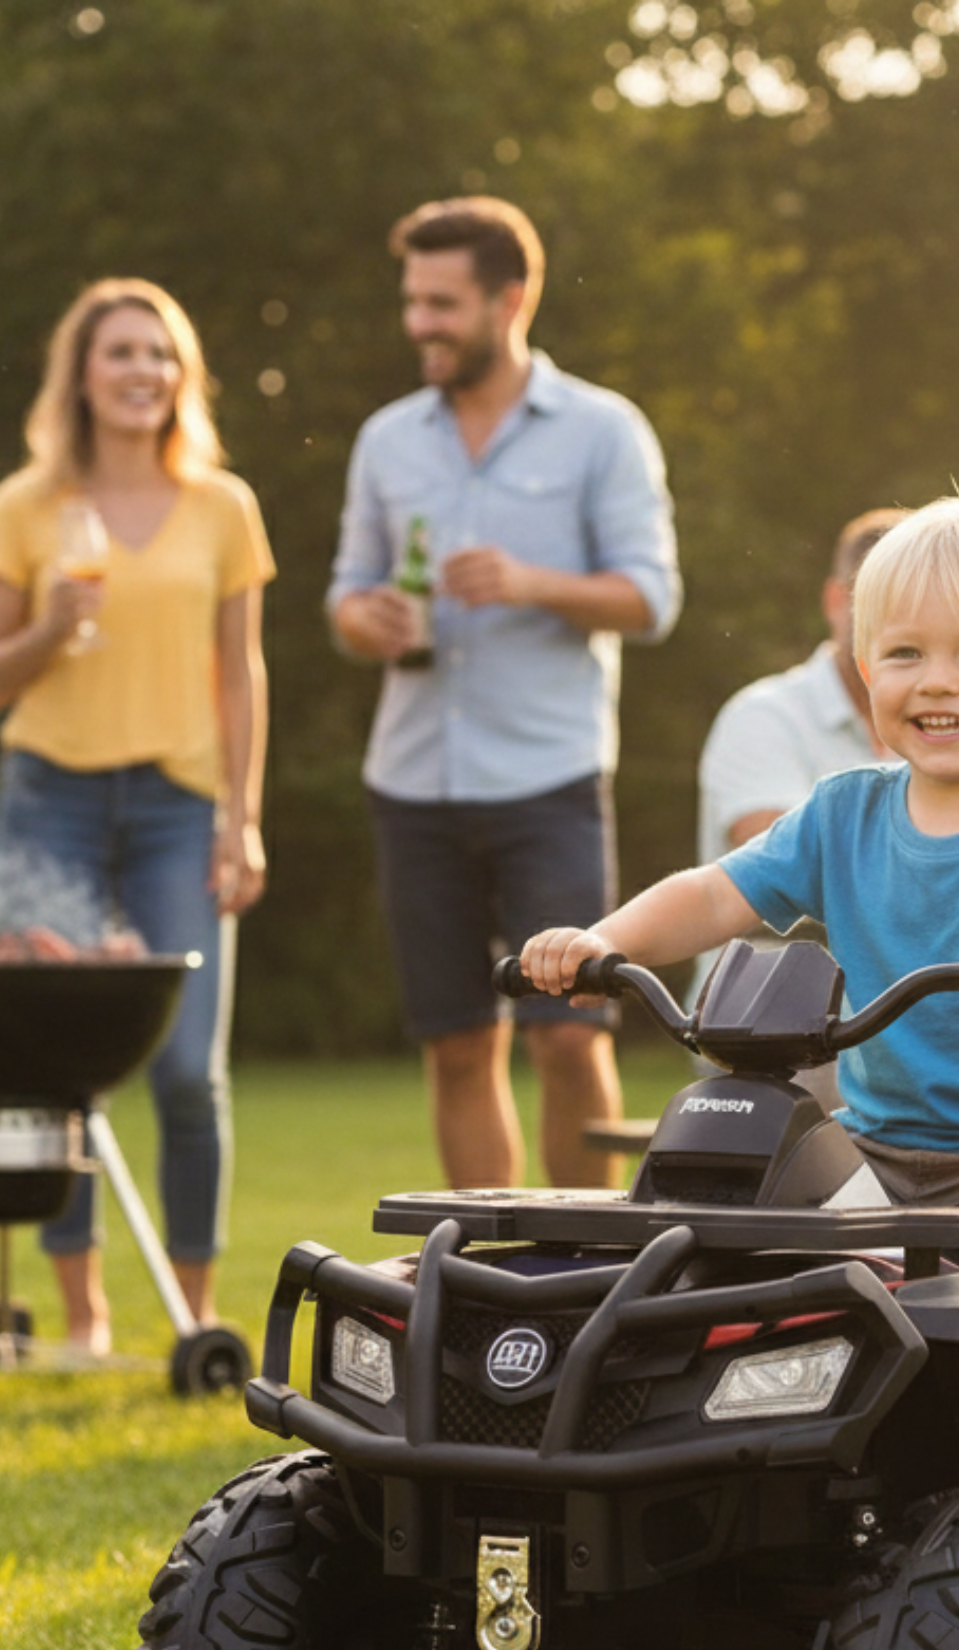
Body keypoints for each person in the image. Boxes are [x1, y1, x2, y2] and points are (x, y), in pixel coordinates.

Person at [521, 496, 959, 1562]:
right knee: (734, 1242)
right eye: (903, 652)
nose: (937, 680)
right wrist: (597, 942)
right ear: (861, 669)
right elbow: (715, 890)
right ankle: (773, 1482)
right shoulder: (843, 810)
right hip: (875, 1147)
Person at [328, 196, 680, 1192]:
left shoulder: (602, 431)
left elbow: (651, 597)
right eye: (412, 301)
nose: (419, 324)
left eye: (442, 303)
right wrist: (368, 621)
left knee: (568, 1033)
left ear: (509, 300)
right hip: (411, 779)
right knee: (455, 1042)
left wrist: (529, 583)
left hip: (547, 778)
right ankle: (495, 1266)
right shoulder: (387, 440)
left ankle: (585, 1266)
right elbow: (342, 599)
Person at [0, 279, 273, 1352]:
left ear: (181, 375)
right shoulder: (21, 507)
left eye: (160, 353)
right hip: (47, 797)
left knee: (188, 1064)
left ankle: (192, 1313)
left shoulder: (223, 504)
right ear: (81, 376)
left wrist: (243, 816)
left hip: (177, 805)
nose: (142, 371)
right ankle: (83, 1315)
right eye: (119, 353)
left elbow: (241, 671)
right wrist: (52, 627)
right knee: (56, 1064)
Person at [695, 507, 906, 867]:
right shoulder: (762, 717)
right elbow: (789, 868)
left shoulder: (944, 722)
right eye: (884, 601)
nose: (904, 625)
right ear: (836, 601)